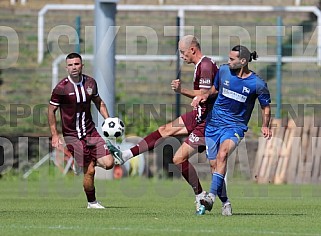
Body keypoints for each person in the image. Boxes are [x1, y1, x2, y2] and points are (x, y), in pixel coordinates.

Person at [107, 35, 231, 215]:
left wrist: (182, 90)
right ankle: (126, 155)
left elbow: (205, 93)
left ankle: (215, 200)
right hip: (199, 115)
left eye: (183, 52)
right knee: (165, 130)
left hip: (208, 122)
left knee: (189, 161)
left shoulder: (205, 65)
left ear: (192, 50)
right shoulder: (202, 65)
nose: (181, 56)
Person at [192, 45, 272, 214]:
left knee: (223, 154)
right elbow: (214, 89)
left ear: (243, 61)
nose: (228, 62)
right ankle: (226, 202)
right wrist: (204, 96)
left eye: (231, 59)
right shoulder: (223, 71)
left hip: (235, 126)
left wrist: (265, 125)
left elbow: (266, 108)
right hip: (213, 124)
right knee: (215, 166)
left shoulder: (257, 84)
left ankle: (211, 196)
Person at [48, 52, 115, 209]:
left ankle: (79, 161)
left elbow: (99, 102)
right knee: (90, 170)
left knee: (109, 163)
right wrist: (54, 135)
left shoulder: (90, 83)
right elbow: (51, 111)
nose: (74, 67)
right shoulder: (61, 88)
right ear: (66, 68)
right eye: (70, 65)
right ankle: (92, 202)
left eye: (76, 64)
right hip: (72, 136)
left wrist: (109, 120)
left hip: (90, 131)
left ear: (82, 65)